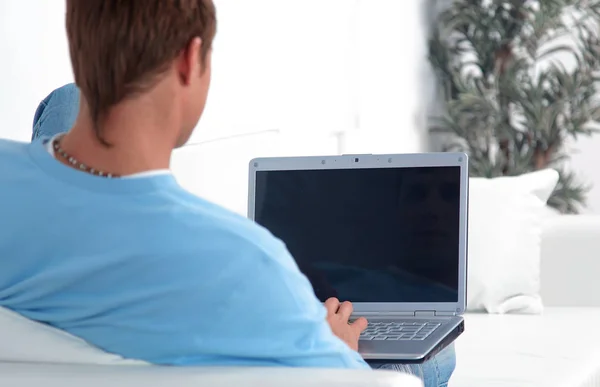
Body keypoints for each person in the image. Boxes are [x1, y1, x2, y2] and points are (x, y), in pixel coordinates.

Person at [0, 1, 455, 386]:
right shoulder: (251, 263)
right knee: (436, 358)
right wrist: (339, 353)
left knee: (67, 101)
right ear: (189, 59)